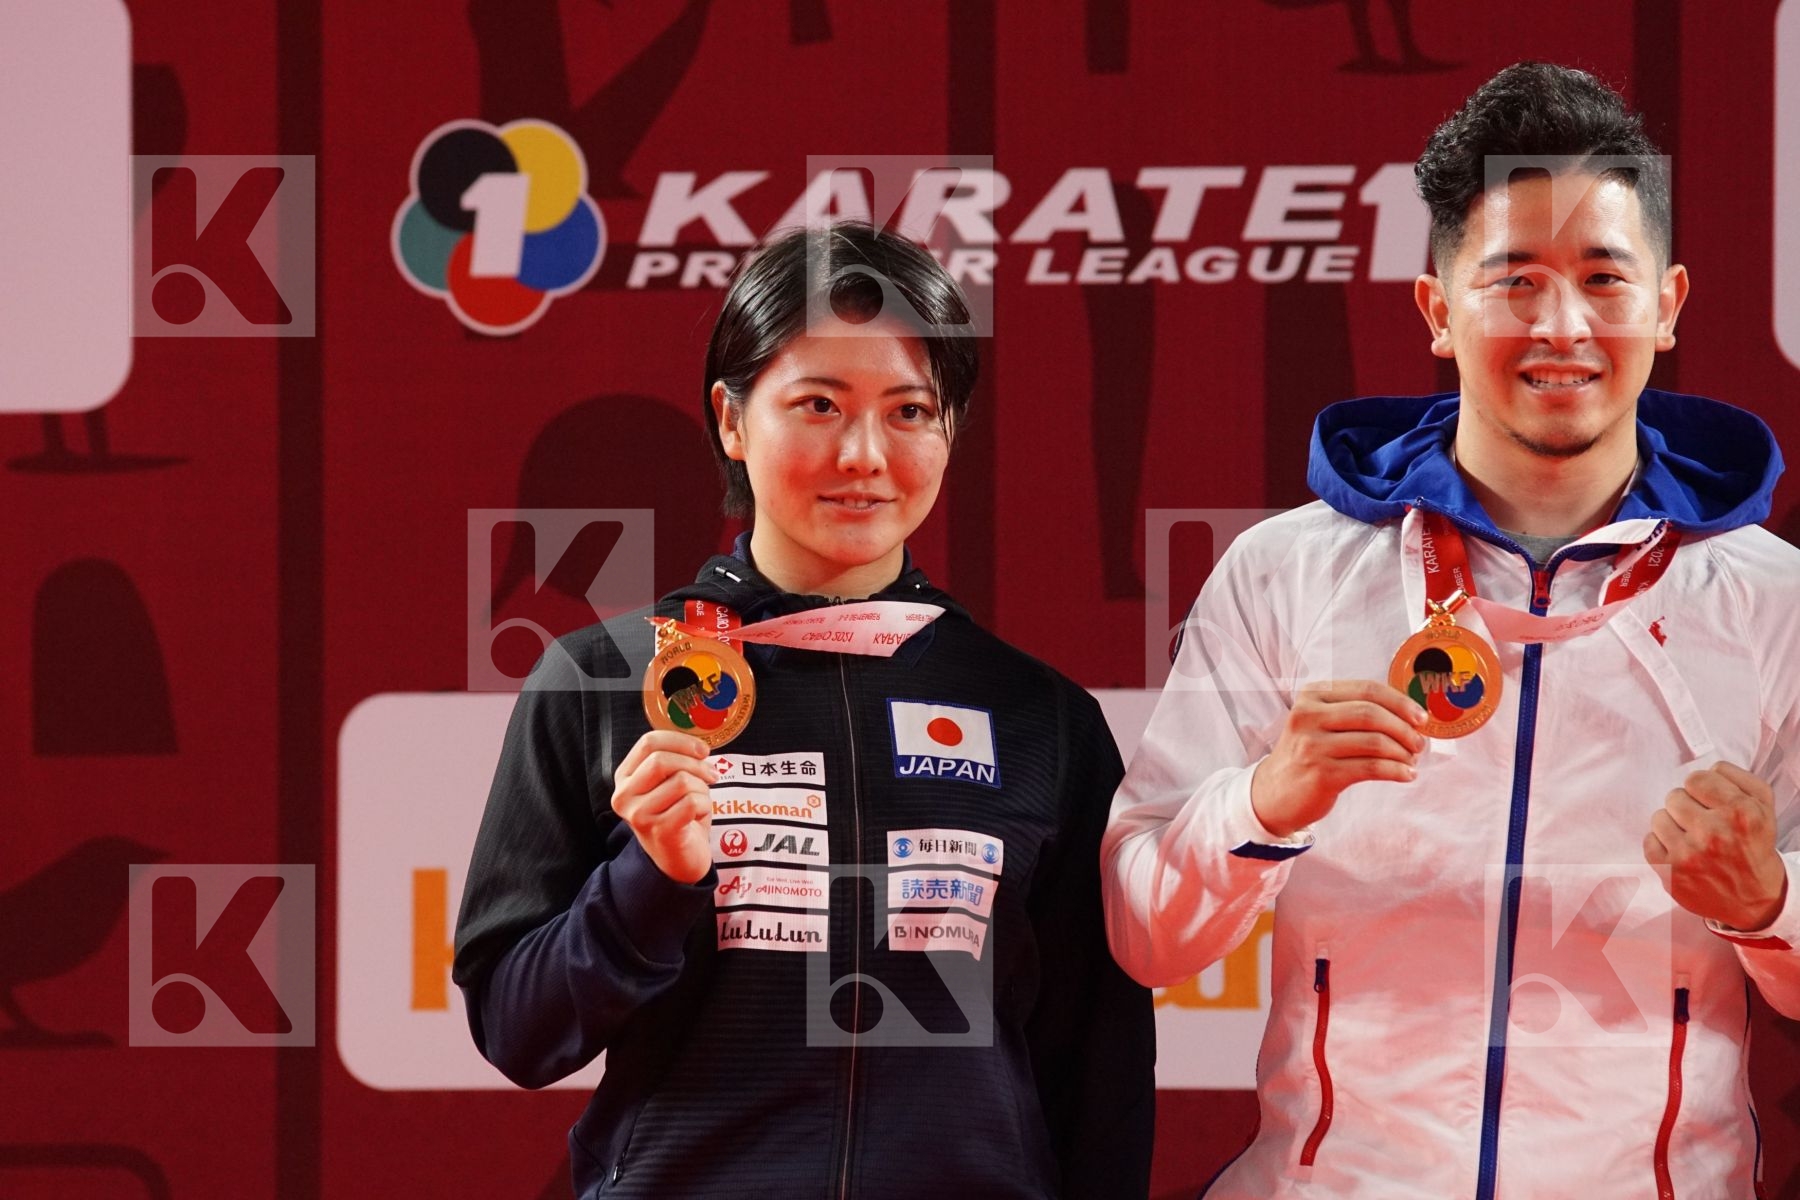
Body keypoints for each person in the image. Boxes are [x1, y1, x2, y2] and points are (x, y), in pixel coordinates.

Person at [1103, 61, 1799, 1198]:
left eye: (1603, 279)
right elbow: (1144, 935)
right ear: (1437, 310)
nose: (1561, 325)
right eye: (1513, 280)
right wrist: (1264, 805)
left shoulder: (1774, 605)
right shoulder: (1285, 574)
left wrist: (1770, 903)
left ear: (1668, 306)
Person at [454, 221, 1155, 1199]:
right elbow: (517, 1032)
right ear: (733, 420)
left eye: (911, 411)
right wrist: (646, 884)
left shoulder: (1042, 719)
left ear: (949, 430)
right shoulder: (600, 685)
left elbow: (1100, 1074)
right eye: (818, 403)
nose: (865, 453)